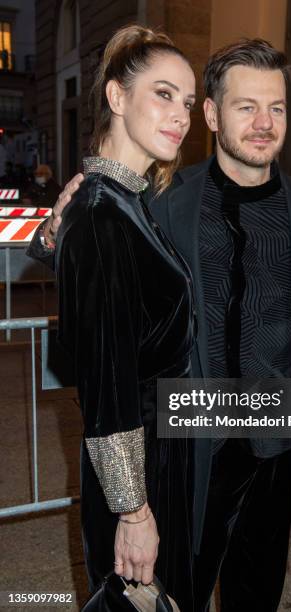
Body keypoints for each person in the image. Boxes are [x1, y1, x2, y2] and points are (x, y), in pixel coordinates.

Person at [28, 38, 291, 612]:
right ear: (213, 114)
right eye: (246, 106)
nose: (263, 123)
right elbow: (110, 253)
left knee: (259, 593)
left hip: (278, 436)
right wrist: (54, 232)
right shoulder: (168, 198)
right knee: (181, 594)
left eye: (276, 107)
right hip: (192, 445)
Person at [29, 24, 197, 609]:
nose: (181, 114)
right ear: (117, 97)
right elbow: (107, 382)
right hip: (134, 456)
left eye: (188, 101)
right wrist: (134, 511)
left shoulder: (123, 201)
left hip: (161, 440)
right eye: (164, 93)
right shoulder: (103, 213)